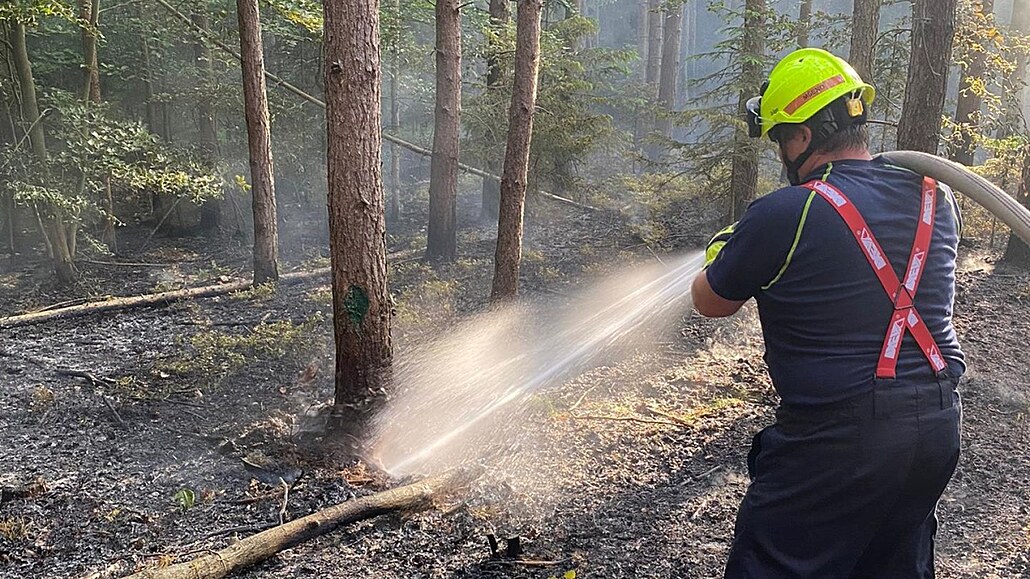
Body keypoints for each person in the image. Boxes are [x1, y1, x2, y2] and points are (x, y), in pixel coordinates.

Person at [691, 47, 964, 578]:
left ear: (803, 136)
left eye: (779, 137)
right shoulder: (935, 197)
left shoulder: (787, 212)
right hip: (935, 427)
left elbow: (710, 301)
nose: (779, 151)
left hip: (836, 444)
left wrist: (722, 251)